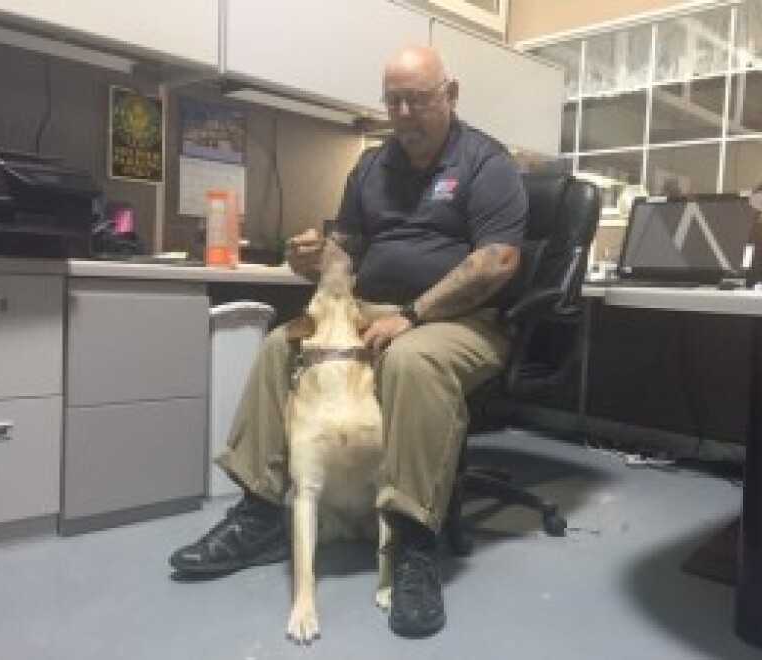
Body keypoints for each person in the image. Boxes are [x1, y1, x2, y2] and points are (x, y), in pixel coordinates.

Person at [170, 44, 528, 638]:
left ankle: (414, 543)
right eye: (394, 101)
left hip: (462, 319)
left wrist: (413, 314)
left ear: (451, 95)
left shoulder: (487, 163)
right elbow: (348, 253)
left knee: (409, 363)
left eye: (419, 99)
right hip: (369, 309)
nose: (405, 112)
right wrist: (310, 258)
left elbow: (498, 261)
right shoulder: (371, 167)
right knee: (281, 344)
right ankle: (261, 509)